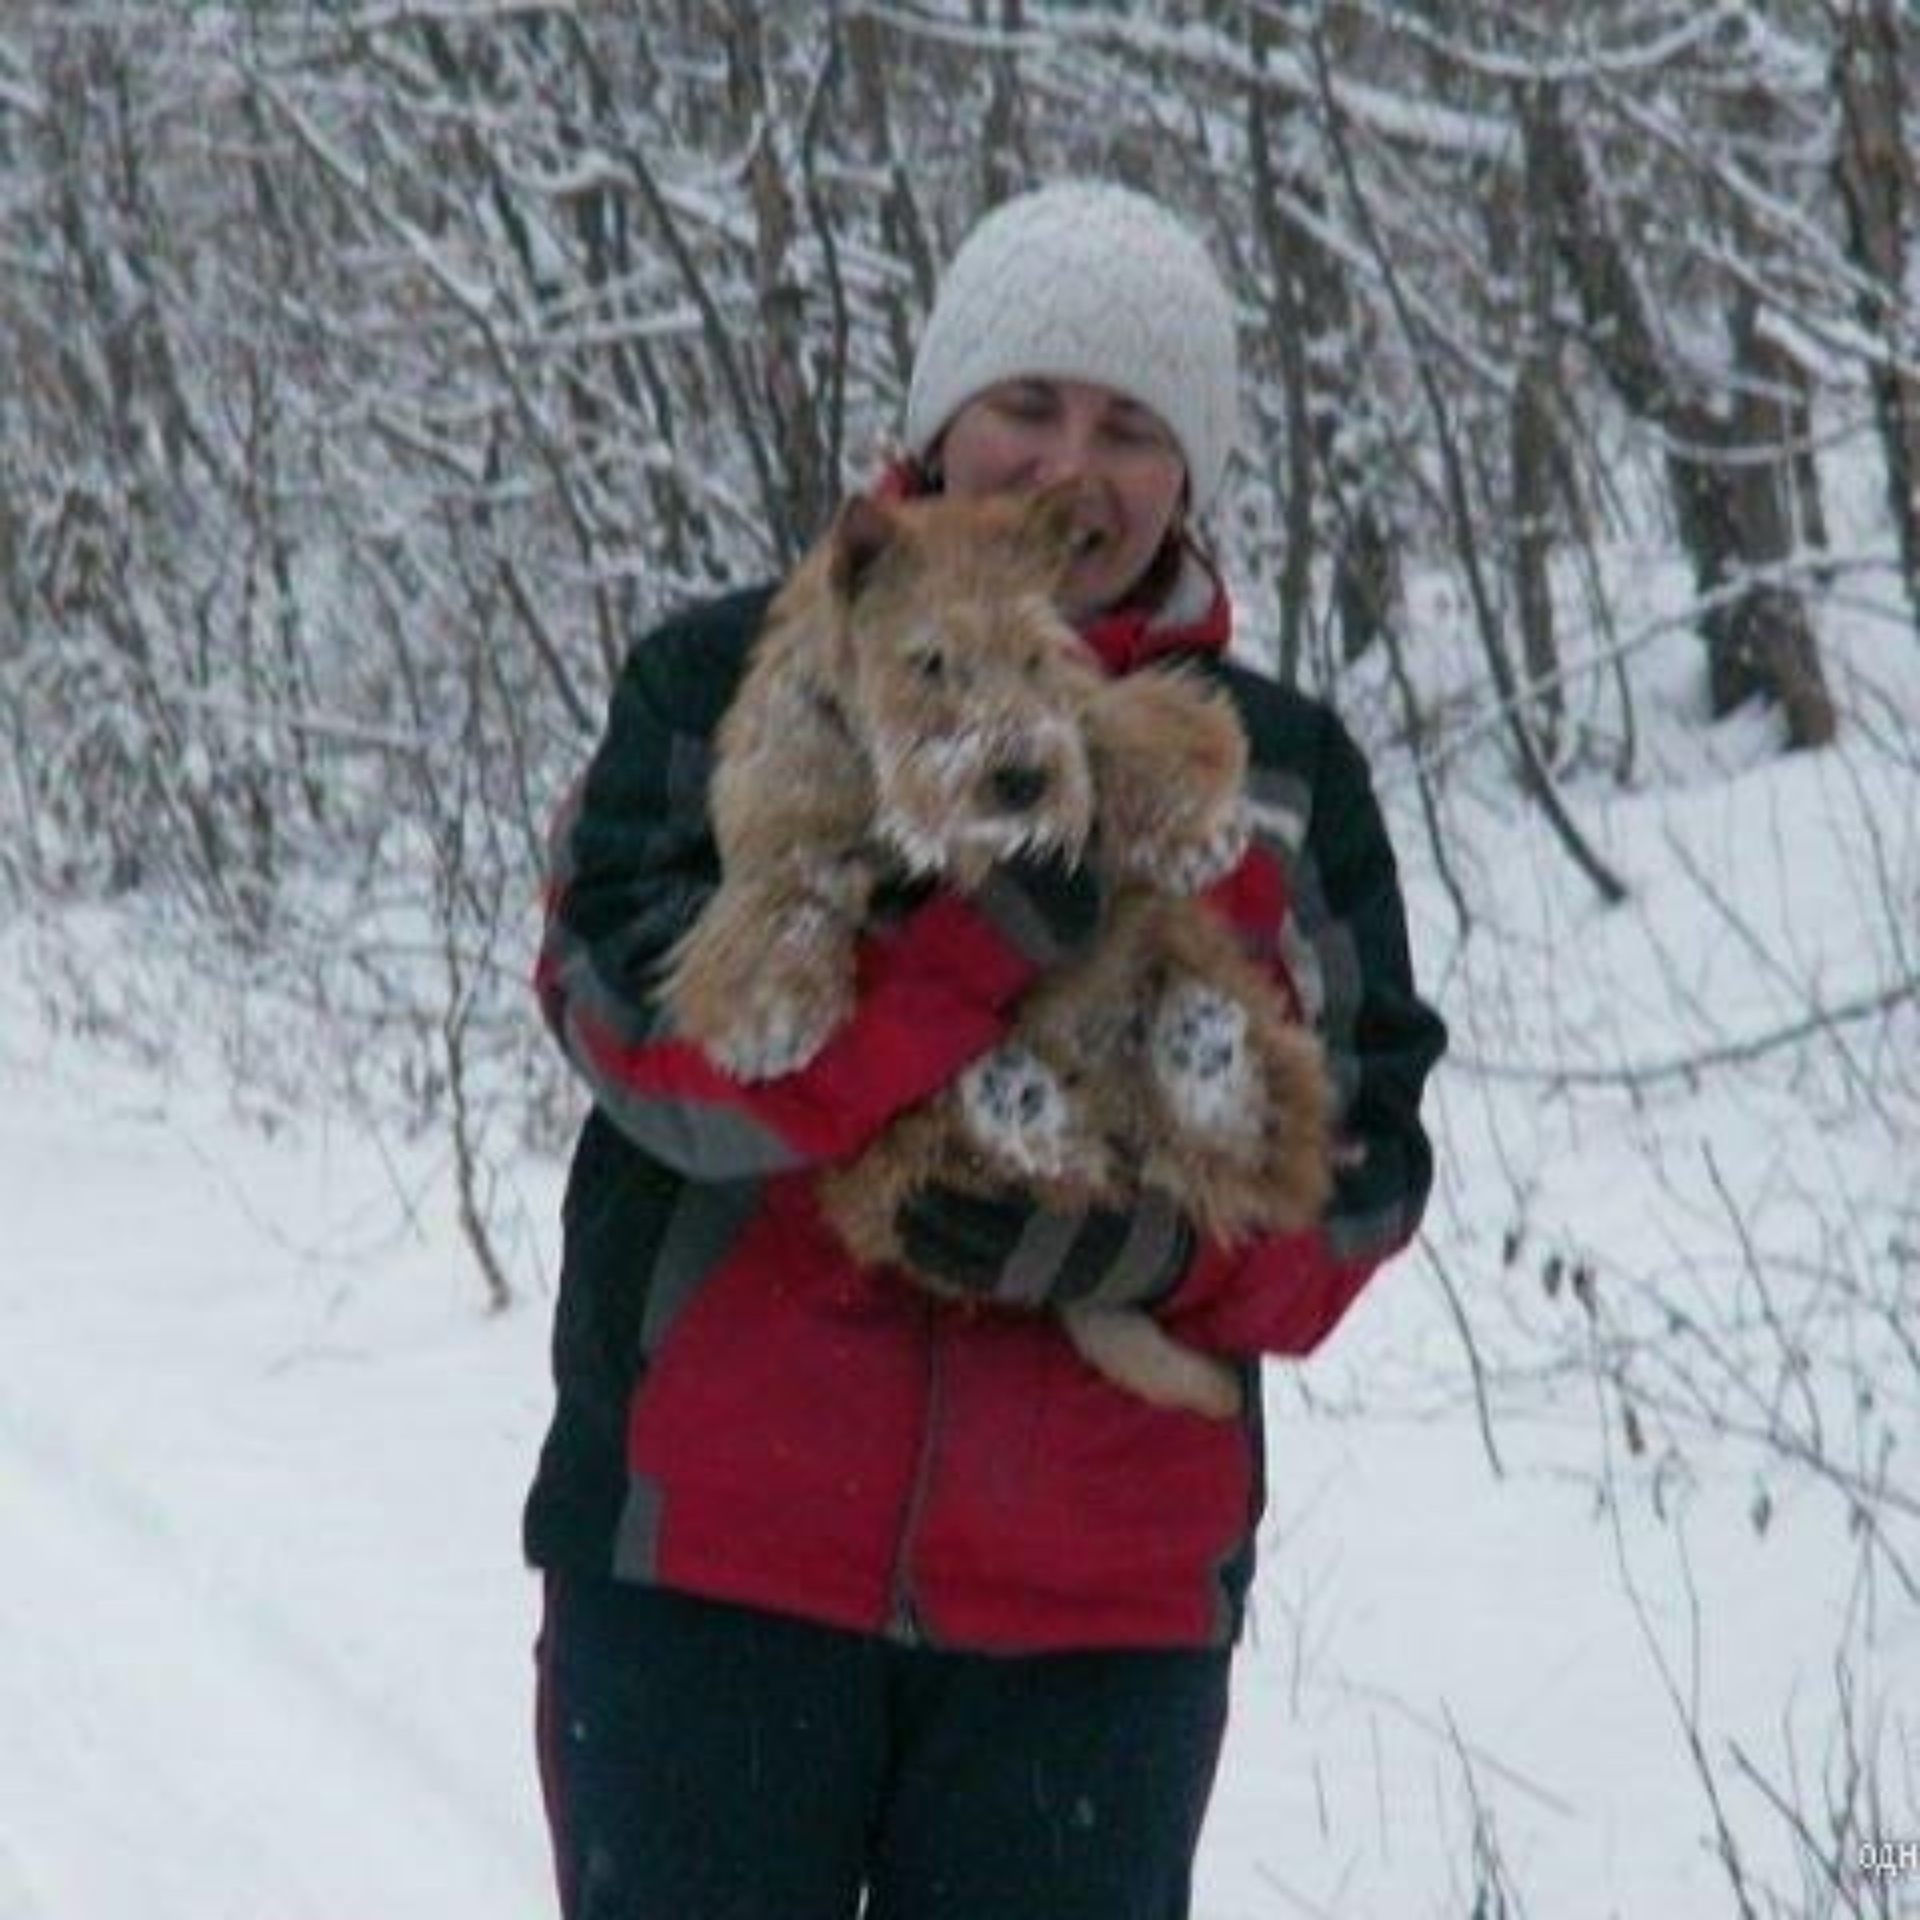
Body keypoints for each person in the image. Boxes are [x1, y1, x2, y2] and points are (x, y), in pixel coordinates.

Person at [524, 179, 1447, 1920]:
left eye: (1131, 428)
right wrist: (993, 936)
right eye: (1028, 405)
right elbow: (649, 1052)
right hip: (713, 1575)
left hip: (1094, 1629)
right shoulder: (726, 684)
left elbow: (1365, 1178)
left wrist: (1165, 1252)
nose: (1068, 467)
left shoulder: (1279, 772)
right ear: (940, 423)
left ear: (1191, 476)